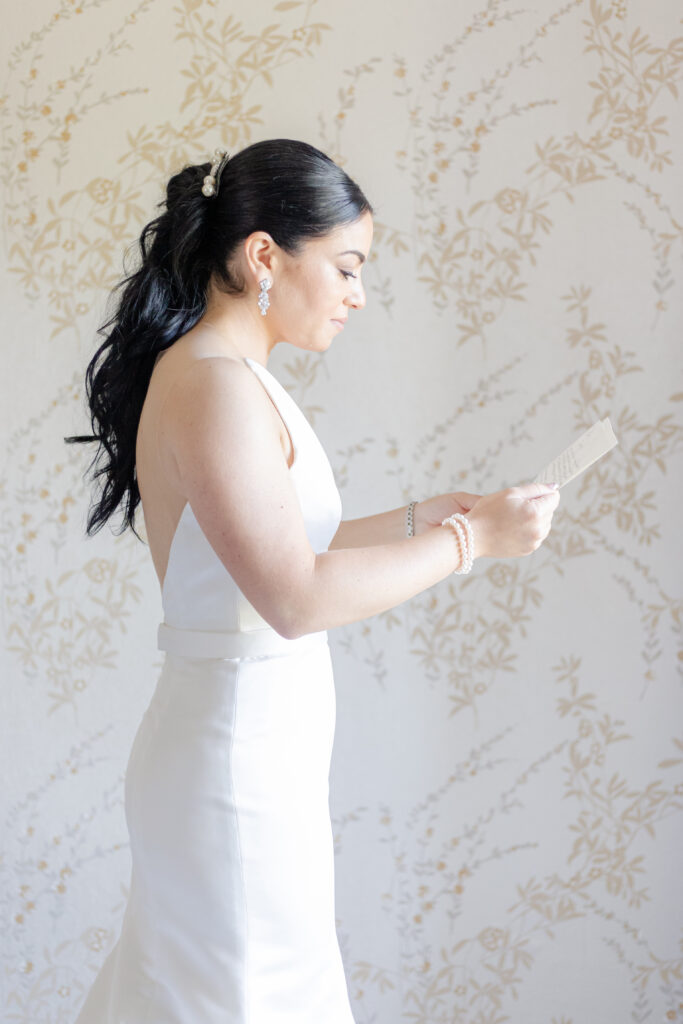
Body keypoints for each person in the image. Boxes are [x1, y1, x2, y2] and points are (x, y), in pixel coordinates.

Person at [64, 138, 560, 1023]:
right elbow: (291, 599)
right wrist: (468, 541)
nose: (356, 294)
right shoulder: (214, 384)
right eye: (345, 266)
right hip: (231, 763)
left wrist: (428, 515)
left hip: (256, 750)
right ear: (264, 255)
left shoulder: (237, 377)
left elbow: (287, 548)